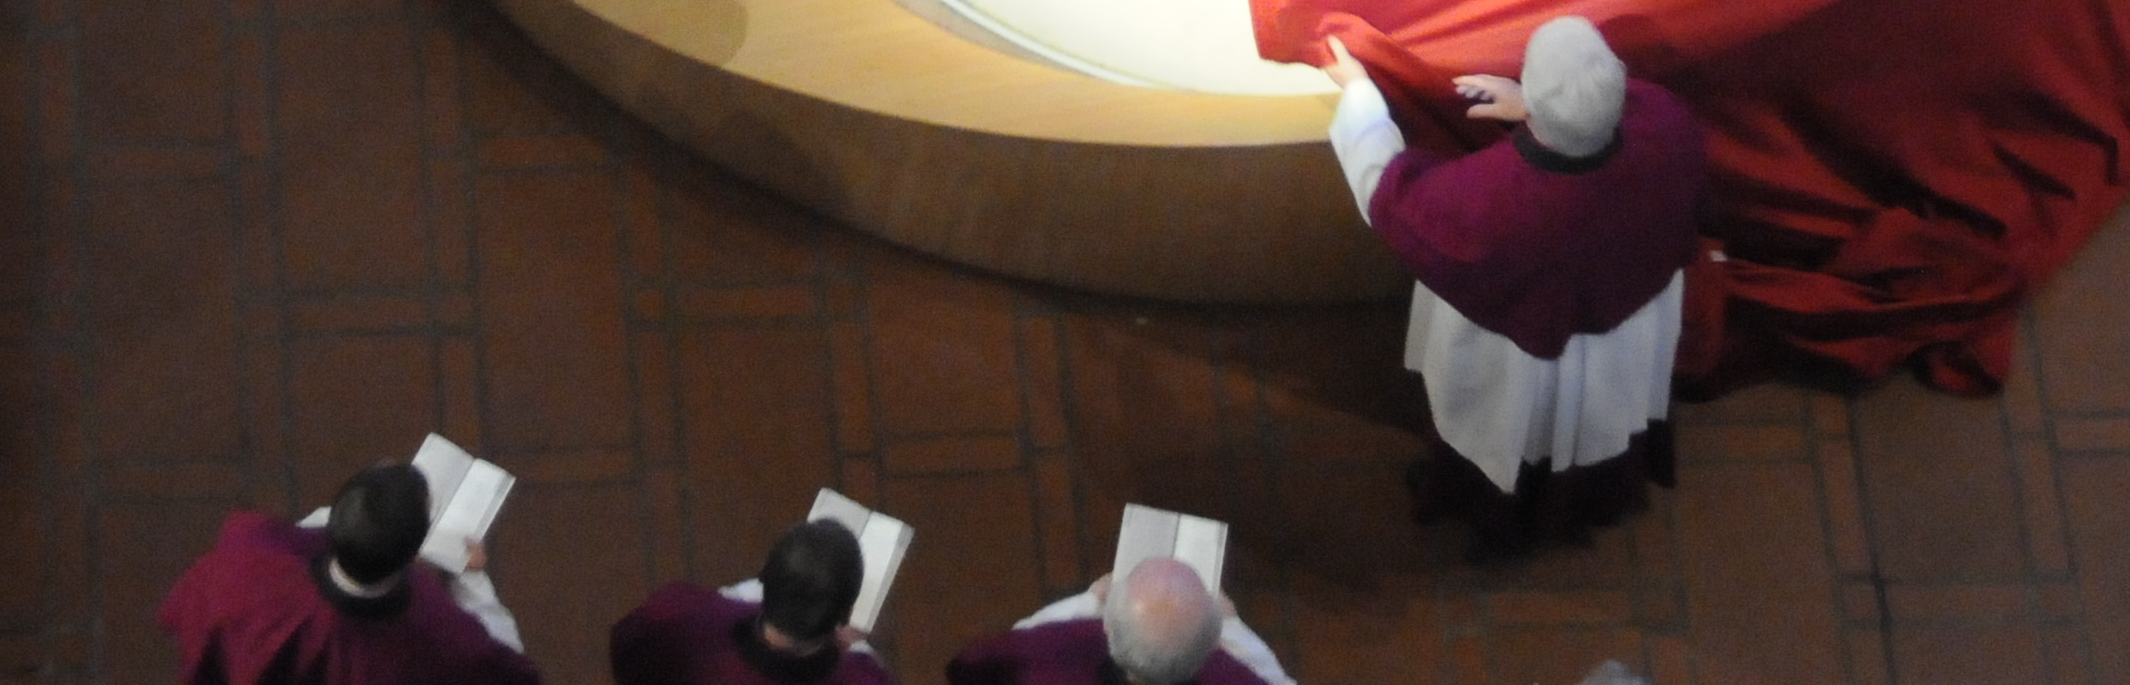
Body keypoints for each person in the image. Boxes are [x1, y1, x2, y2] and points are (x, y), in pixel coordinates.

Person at [1309, 18, 1709, 548]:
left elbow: (1387, 194)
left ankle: (1495, 516)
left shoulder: (1480, 204)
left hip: (1518, 358)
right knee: (1599, 421)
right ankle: (1592, 498)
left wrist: (1360, 93)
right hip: (1623, 328)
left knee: (1508, 430)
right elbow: (1637, 111)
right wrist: (1541, 106)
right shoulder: (1671, 128)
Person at [159, 464, 540, 685]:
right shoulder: (436, 628)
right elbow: (503, 665)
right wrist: (470, 580)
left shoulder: (249, 561)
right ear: (413, 553)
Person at [606, 521, 885, 685]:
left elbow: (626, 650)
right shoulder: (864, 676)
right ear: (845, 616)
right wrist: (858, 650)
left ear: (764, 577)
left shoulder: (679, 616)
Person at [942, 559, 1295, 685]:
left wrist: (1090, 600)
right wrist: (1234, 625)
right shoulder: (1237, 674)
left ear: (1108, 628)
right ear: (1212, 646)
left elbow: (987, 659)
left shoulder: (1048, 659)